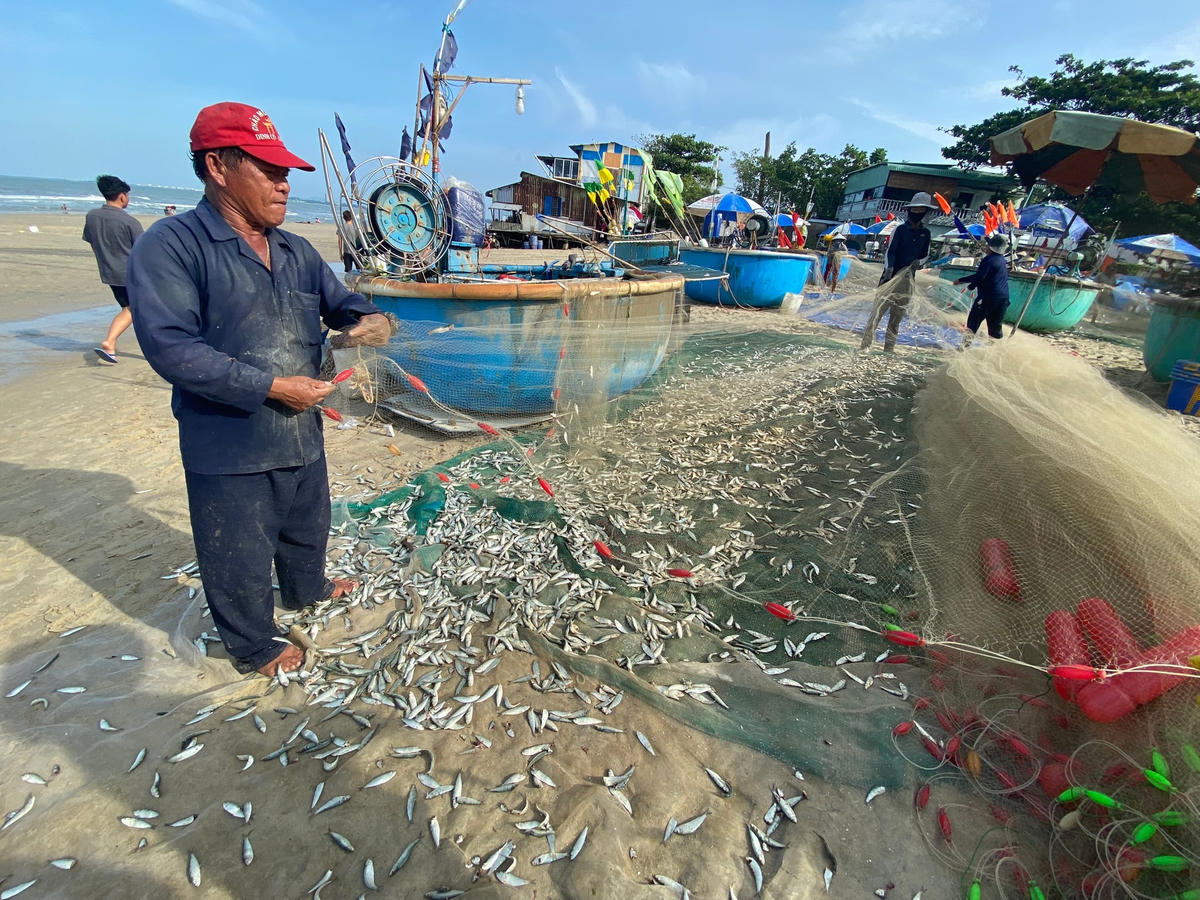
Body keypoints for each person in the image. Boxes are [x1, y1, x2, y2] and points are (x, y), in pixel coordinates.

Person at [128, 102, 393, 678]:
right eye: (268, 169)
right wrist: (271, 386)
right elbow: (172, 348)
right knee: (237, 551)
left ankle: (308, 588)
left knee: (307, 524)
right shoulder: (171, 245)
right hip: (229, 442)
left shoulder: (296, 250)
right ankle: (252, 645)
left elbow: (348, 305)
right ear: (218, 166)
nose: (285, 182)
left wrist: (372, 321)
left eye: (287, 170)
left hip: (302, 429)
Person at [860, 192, 934, 352]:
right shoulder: (900, 230)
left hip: (907, 281)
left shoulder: (926, 234)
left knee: (896, 317)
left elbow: (925, 255)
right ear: (909, 210)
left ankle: (889, 348)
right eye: (914, 210)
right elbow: (890, 251)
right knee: (877, 314)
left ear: (925, 212)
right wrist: (890, 268)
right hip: (889, 278)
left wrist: (918, 262)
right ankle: (865, 345)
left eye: (920, 210)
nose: (916, 213)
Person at [83, 175, 144, 363]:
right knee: (134, 309)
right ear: (122, 196)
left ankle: (111, 343)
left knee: (130, 308)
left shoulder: (92, 216)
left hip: (109, 272)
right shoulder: (129, 222)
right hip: (130, 273)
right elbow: (144, 250)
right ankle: (109, 342)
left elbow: (92, 241)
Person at [955, 233, 1011, 347]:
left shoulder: (988, 260)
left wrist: (970, 286)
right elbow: (983, 275)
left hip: (988, 298)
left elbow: (980, 277)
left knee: (973, 324)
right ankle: (994, 351)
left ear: (990, 246)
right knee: (995, 328)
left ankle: (963, 349)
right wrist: (962, 280)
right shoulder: (1002, 260)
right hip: (1003, 299)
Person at [337, 209, 364, 274]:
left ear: (343, 218)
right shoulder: (356, 227)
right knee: (361, 270)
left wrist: (340, 253)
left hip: (347, 252)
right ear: (351, 217)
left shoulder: (341, 227)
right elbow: (361, 239)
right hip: (357, 252)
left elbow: (339, 241)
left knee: (348, 272)